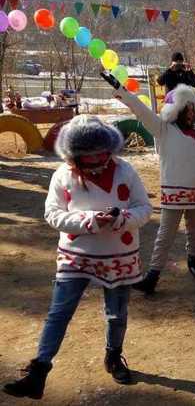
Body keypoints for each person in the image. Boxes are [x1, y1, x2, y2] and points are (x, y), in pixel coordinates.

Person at [2, 116, 153, 399]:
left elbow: (144, 207)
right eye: (89, 154)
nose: (98, 159)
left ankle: (113, 356)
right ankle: (38, 373)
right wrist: (88, 221)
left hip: (119, 254)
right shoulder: (63, 174)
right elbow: (52, 214)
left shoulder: (125, 170)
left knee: (116, 314)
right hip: (76, 254)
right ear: (75, 154)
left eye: (102, 151)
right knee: (59, 313)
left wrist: (123, 219)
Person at [113, 82, 195, 293]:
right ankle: (153, 276)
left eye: (193, 108)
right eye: (187, 108)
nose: (192, 113)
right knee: (165, 235)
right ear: (176, 110)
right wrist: (122, 92)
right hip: (174, 194)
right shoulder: (163, 129)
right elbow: (141, 109)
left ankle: (193, 261)